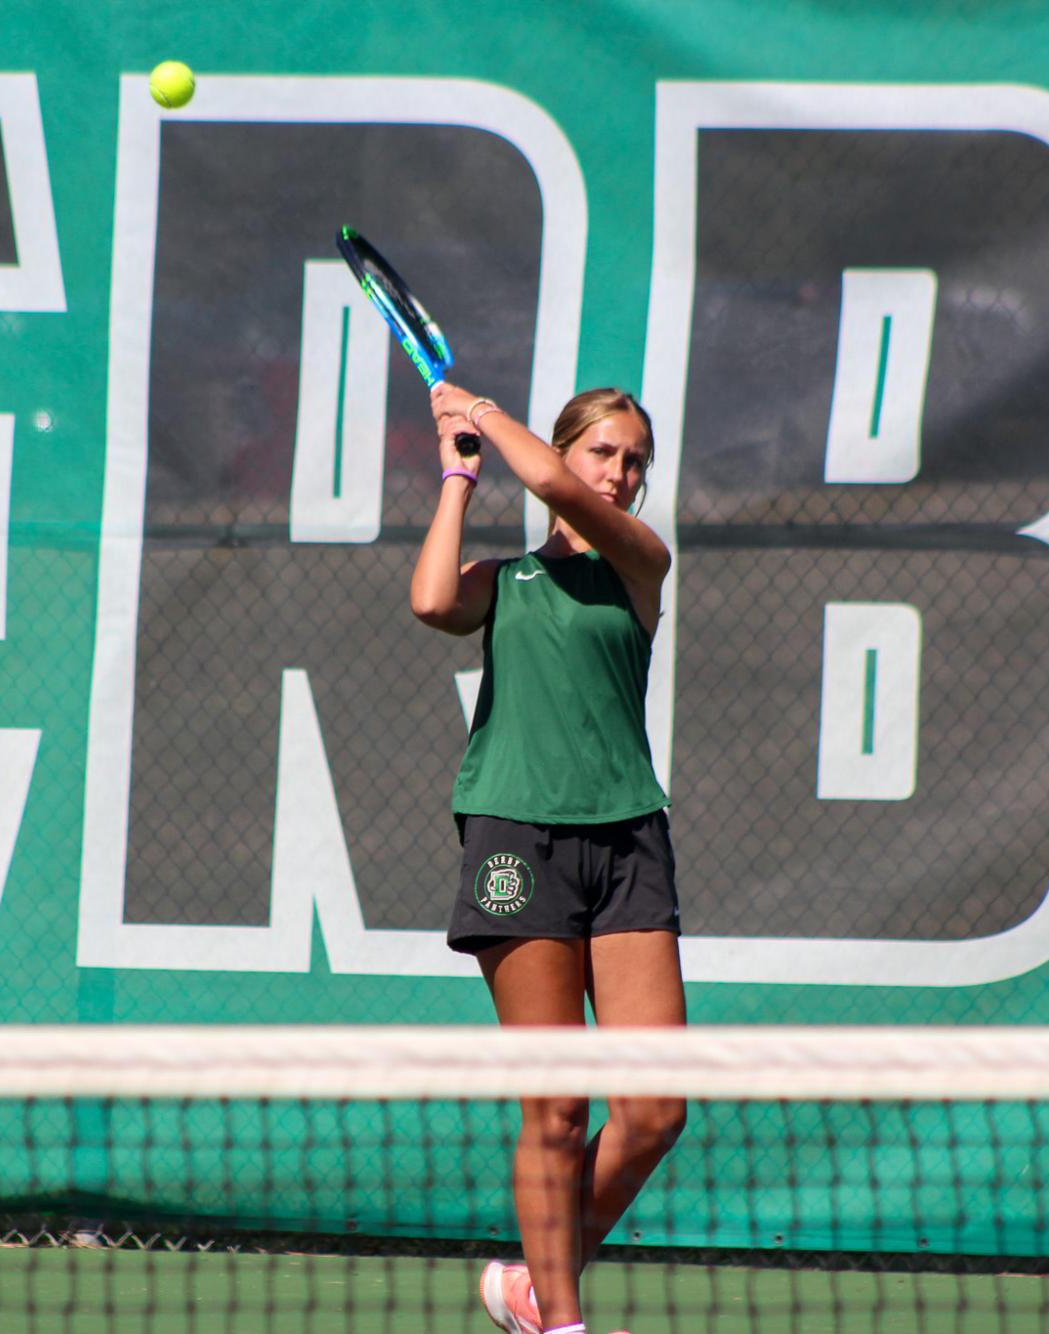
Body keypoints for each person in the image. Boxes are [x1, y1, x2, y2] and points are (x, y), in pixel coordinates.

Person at [410, 380, 688, 1334]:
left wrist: (481, 411)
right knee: (558, 1114)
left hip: (626, 842)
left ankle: (533, 1277)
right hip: (515, 842)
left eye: (635, 460)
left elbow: (558, 495)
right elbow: (432, 599)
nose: (620, 473)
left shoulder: (642, 565)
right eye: (603, 452)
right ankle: (557, 1322)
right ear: (568, 452)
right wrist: (457, 473)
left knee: (654, 1113)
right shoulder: (507, 583)